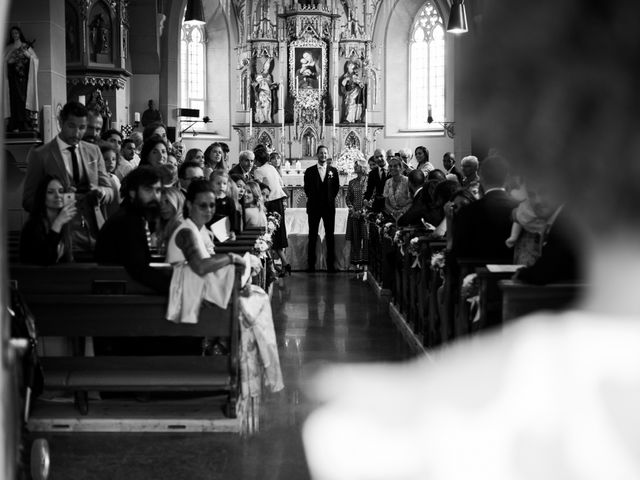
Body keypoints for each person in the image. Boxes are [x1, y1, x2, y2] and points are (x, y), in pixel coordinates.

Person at [22, 101, 114, 254]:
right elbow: (28, 201)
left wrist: (101, 192)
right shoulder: (41, 155)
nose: (77, 133)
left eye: (82, 127)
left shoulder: (93, 151)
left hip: (94, 232)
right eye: (71, 126)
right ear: (60, 123)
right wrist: (60, 199)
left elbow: (110, 191)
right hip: (60, 236)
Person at [95, 166, 170, 294]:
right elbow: (139, 269)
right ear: (132, 192)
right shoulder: (128, 221)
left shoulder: (134, 216)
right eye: (148, 189)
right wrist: (176, 288)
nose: (155, 196)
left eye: (158, 190)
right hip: (115, 295)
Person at [451, 155, 519, 261]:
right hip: (514, 270)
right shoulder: (519, 207)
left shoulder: (469, 211)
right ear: (507, 178)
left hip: (477, 270)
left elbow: (459, 251)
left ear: (481, 177)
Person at [19, 176, 76, 265]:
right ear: (42, 196)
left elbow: (67, 260)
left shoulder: (65, 223)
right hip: (34, 276)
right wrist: (58, 223)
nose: (57, 196)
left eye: (61, 191)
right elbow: (44, 260)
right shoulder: (33, 225)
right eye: (50, 192)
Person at [253, 145, 290, 273]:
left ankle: (273, 266)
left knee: (268, 234)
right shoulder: (271, 168)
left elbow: (261, 190)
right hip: (279, 202)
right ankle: (284, 263)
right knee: (278, 234)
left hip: (269, 203)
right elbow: (281, 184)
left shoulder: (258, 171)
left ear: (257, 160)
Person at [304, 145, 340, 272]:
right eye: (321, 153)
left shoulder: (333, 171)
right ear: (317, 155)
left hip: (329, 208)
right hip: (314, 207)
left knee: (330, 236)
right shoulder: (309, 171)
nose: (323, 155)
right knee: (312, 235)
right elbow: (306, 189)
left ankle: (330, 265)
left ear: (327, 154)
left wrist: (329, 199)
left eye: (325, 153)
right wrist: (315, 199)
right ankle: (311, 265)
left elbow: (336, 188)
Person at [4, 26, 38, 132]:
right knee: (14, 99)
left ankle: (25, 121)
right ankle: (14, 122)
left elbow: (35, 60)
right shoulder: (9, 47)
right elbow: (4, 61)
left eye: (16, 33)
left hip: (24, 78)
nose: (15, 35)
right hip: (13, 79)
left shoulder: (25, 46)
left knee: (23, 98)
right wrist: (11, 57)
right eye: (13, 33)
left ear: (20, 34)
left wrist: (27, 55)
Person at [345, 158, 369, 275]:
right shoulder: (352, 182)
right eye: (355, 166)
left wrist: (362, 211)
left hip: (365, 215)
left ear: (363, 167)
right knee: (355, 240)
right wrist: (352, 209)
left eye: (357, 166)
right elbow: (348, 197)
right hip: (354, 215)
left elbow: (371, 197)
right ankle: (355, 263)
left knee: (366, 238)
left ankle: (365, 263)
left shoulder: (368, 181)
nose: (355, 168)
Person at [383, 156, 411, 220]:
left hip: (406, 216)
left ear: (401, 168)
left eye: (395, 166)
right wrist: (394, 212)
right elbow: (386, 203)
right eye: (390, 166)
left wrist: (401, 212)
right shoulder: (388, 182)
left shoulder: (407, 181)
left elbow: (411, 201)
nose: (392, 168)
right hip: (392, 216)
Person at [364, 149, 388, 213]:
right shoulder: (372, 173)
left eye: (381, 156)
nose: (379, 159)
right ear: (374, 158)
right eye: (376, 157)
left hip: (391, 205)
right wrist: (366, 199)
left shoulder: (392, 169)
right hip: (378, 206)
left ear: (385, 156)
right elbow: (369, 189)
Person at [253, 58, 276, 123]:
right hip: (261, 92)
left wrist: (273, 85)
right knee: (261, 105)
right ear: (264, 66)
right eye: (266, 66)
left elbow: (270, 84)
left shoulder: (269, 76)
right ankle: (261, 119)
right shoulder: (259, 75)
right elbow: (255, 84)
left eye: (268, 66)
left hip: (268, 93)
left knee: (267, 106)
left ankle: (267, 119)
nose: (267, 67)